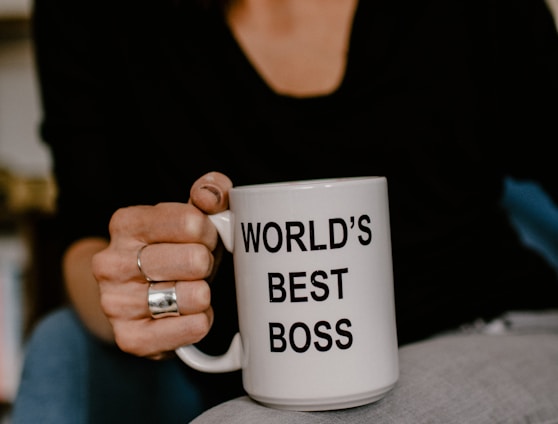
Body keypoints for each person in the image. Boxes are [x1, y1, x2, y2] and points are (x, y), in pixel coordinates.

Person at [11, 0, 558, 422]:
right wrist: (136, 294)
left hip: (490, 331)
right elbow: (85, 236)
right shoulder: (96, 16)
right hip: (251, 381)